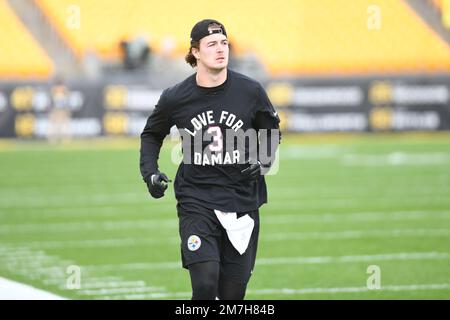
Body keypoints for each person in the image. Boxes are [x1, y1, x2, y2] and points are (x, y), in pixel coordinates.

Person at [140, 19, 280, 300]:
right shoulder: (176, 97)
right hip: (197, 200)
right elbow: (152, 134)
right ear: (195, 52)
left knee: (232, 297)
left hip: (242, 202)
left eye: (224, 43)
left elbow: (272, 132)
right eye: (212, 44)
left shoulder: (250, 91)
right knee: (204, 286)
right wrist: (150, 172)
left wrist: (263, 160)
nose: (221, 49)